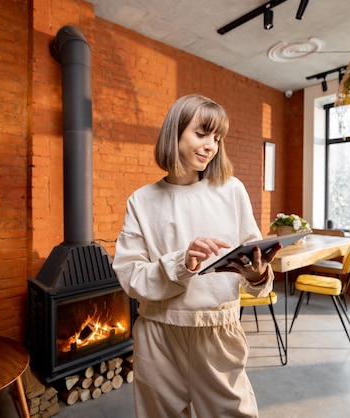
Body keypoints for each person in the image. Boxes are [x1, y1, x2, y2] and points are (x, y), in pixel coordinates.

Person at [112, 93, 281, 418]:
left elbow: (256, 270)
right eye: (201, 134)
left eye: (217, 138)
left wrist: (257, 274)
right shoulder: (142, 200)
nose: (210, 146)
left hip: (218, 330)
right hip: (158, 333)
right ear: (174, 133)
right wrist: (182, 264)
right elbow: (130, 276)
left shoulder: (231, 190)